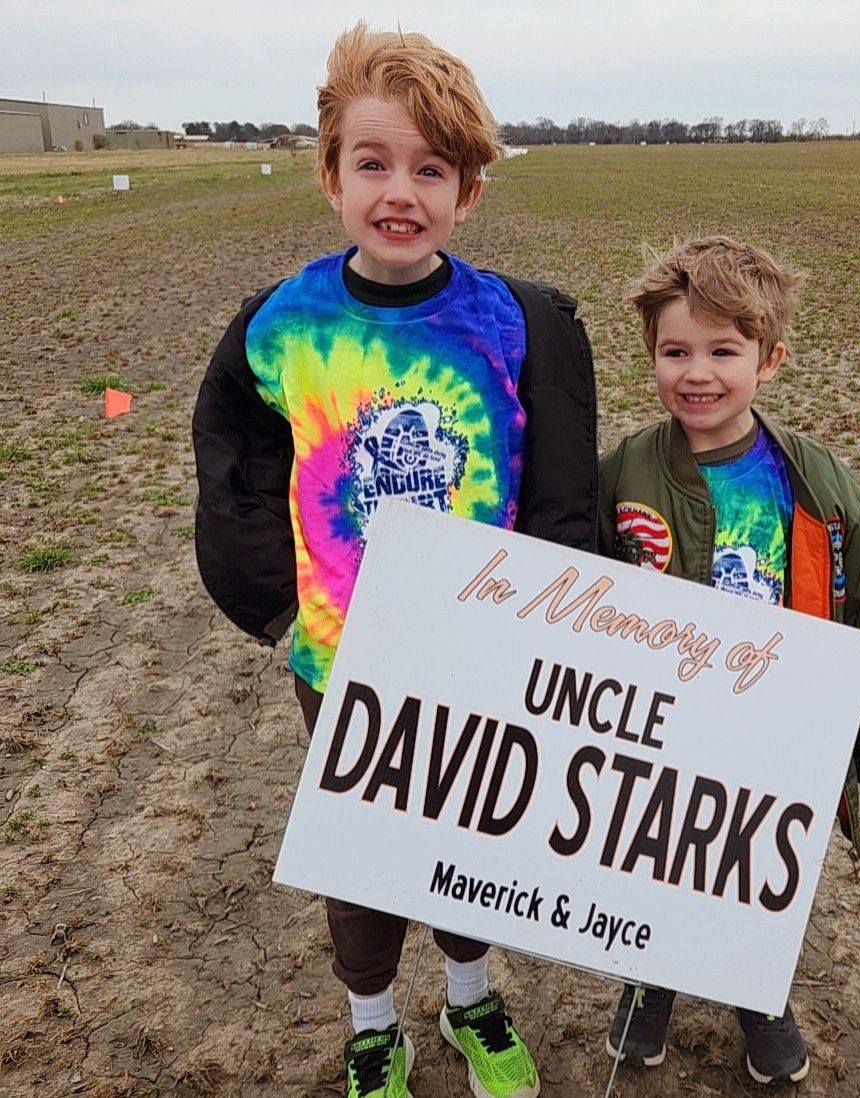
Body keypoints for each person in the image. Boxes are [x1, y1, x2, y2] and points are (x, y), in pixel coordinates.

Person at [192, 23, 597, 1098]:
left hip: (478, 660)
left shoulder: (522, 323)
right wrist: (282, 612)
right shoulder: (279, 326)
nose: (400, 191)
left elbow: (560, 495)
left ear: (470, 192)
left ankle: (472, 1002)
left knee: (468, 840)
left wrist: (555, 621)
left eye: (432, 169)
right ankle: (372, 1024)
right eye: (374, 163)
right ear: (330, 175)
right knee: (363, 855)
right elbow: (233, 462)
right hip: (342, 662)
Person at [598, 235, 860, 1085]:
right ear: (652, 356)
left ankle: (757, 992)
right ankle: (655, 978)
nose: (697, 372)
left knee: (755, 871)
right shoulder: (624, 472)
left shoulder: (818, 484)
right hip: (662, 726)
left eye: (723, 350)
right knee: (657, 854)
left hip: (776, 734)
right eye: (676, 351)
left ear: (770, 359)